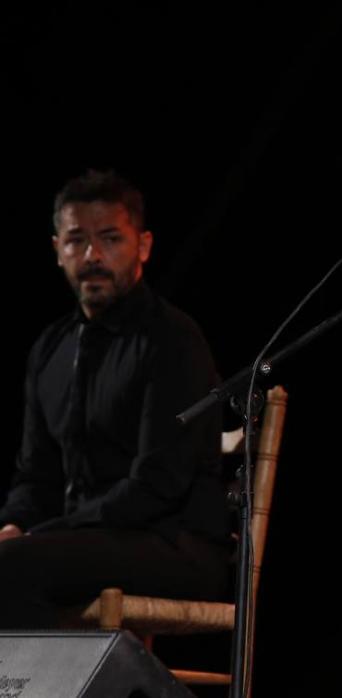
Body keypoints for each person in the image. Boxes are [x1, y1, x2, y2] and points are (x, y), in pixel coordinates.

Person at [0, 170, 231, 628]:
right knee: (13, 557)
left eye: (109, 239)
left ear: (142, 246)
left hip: (173, 543)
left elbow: (157, 483)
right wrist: (13, 525)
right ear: (56, 250)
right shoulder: (50, 348)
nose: (92, 256)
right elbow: (36, 474)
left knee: (14, 567)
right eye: (76, 241)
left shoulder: (172, 338)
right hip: (87, 541)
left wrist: (42, 535)